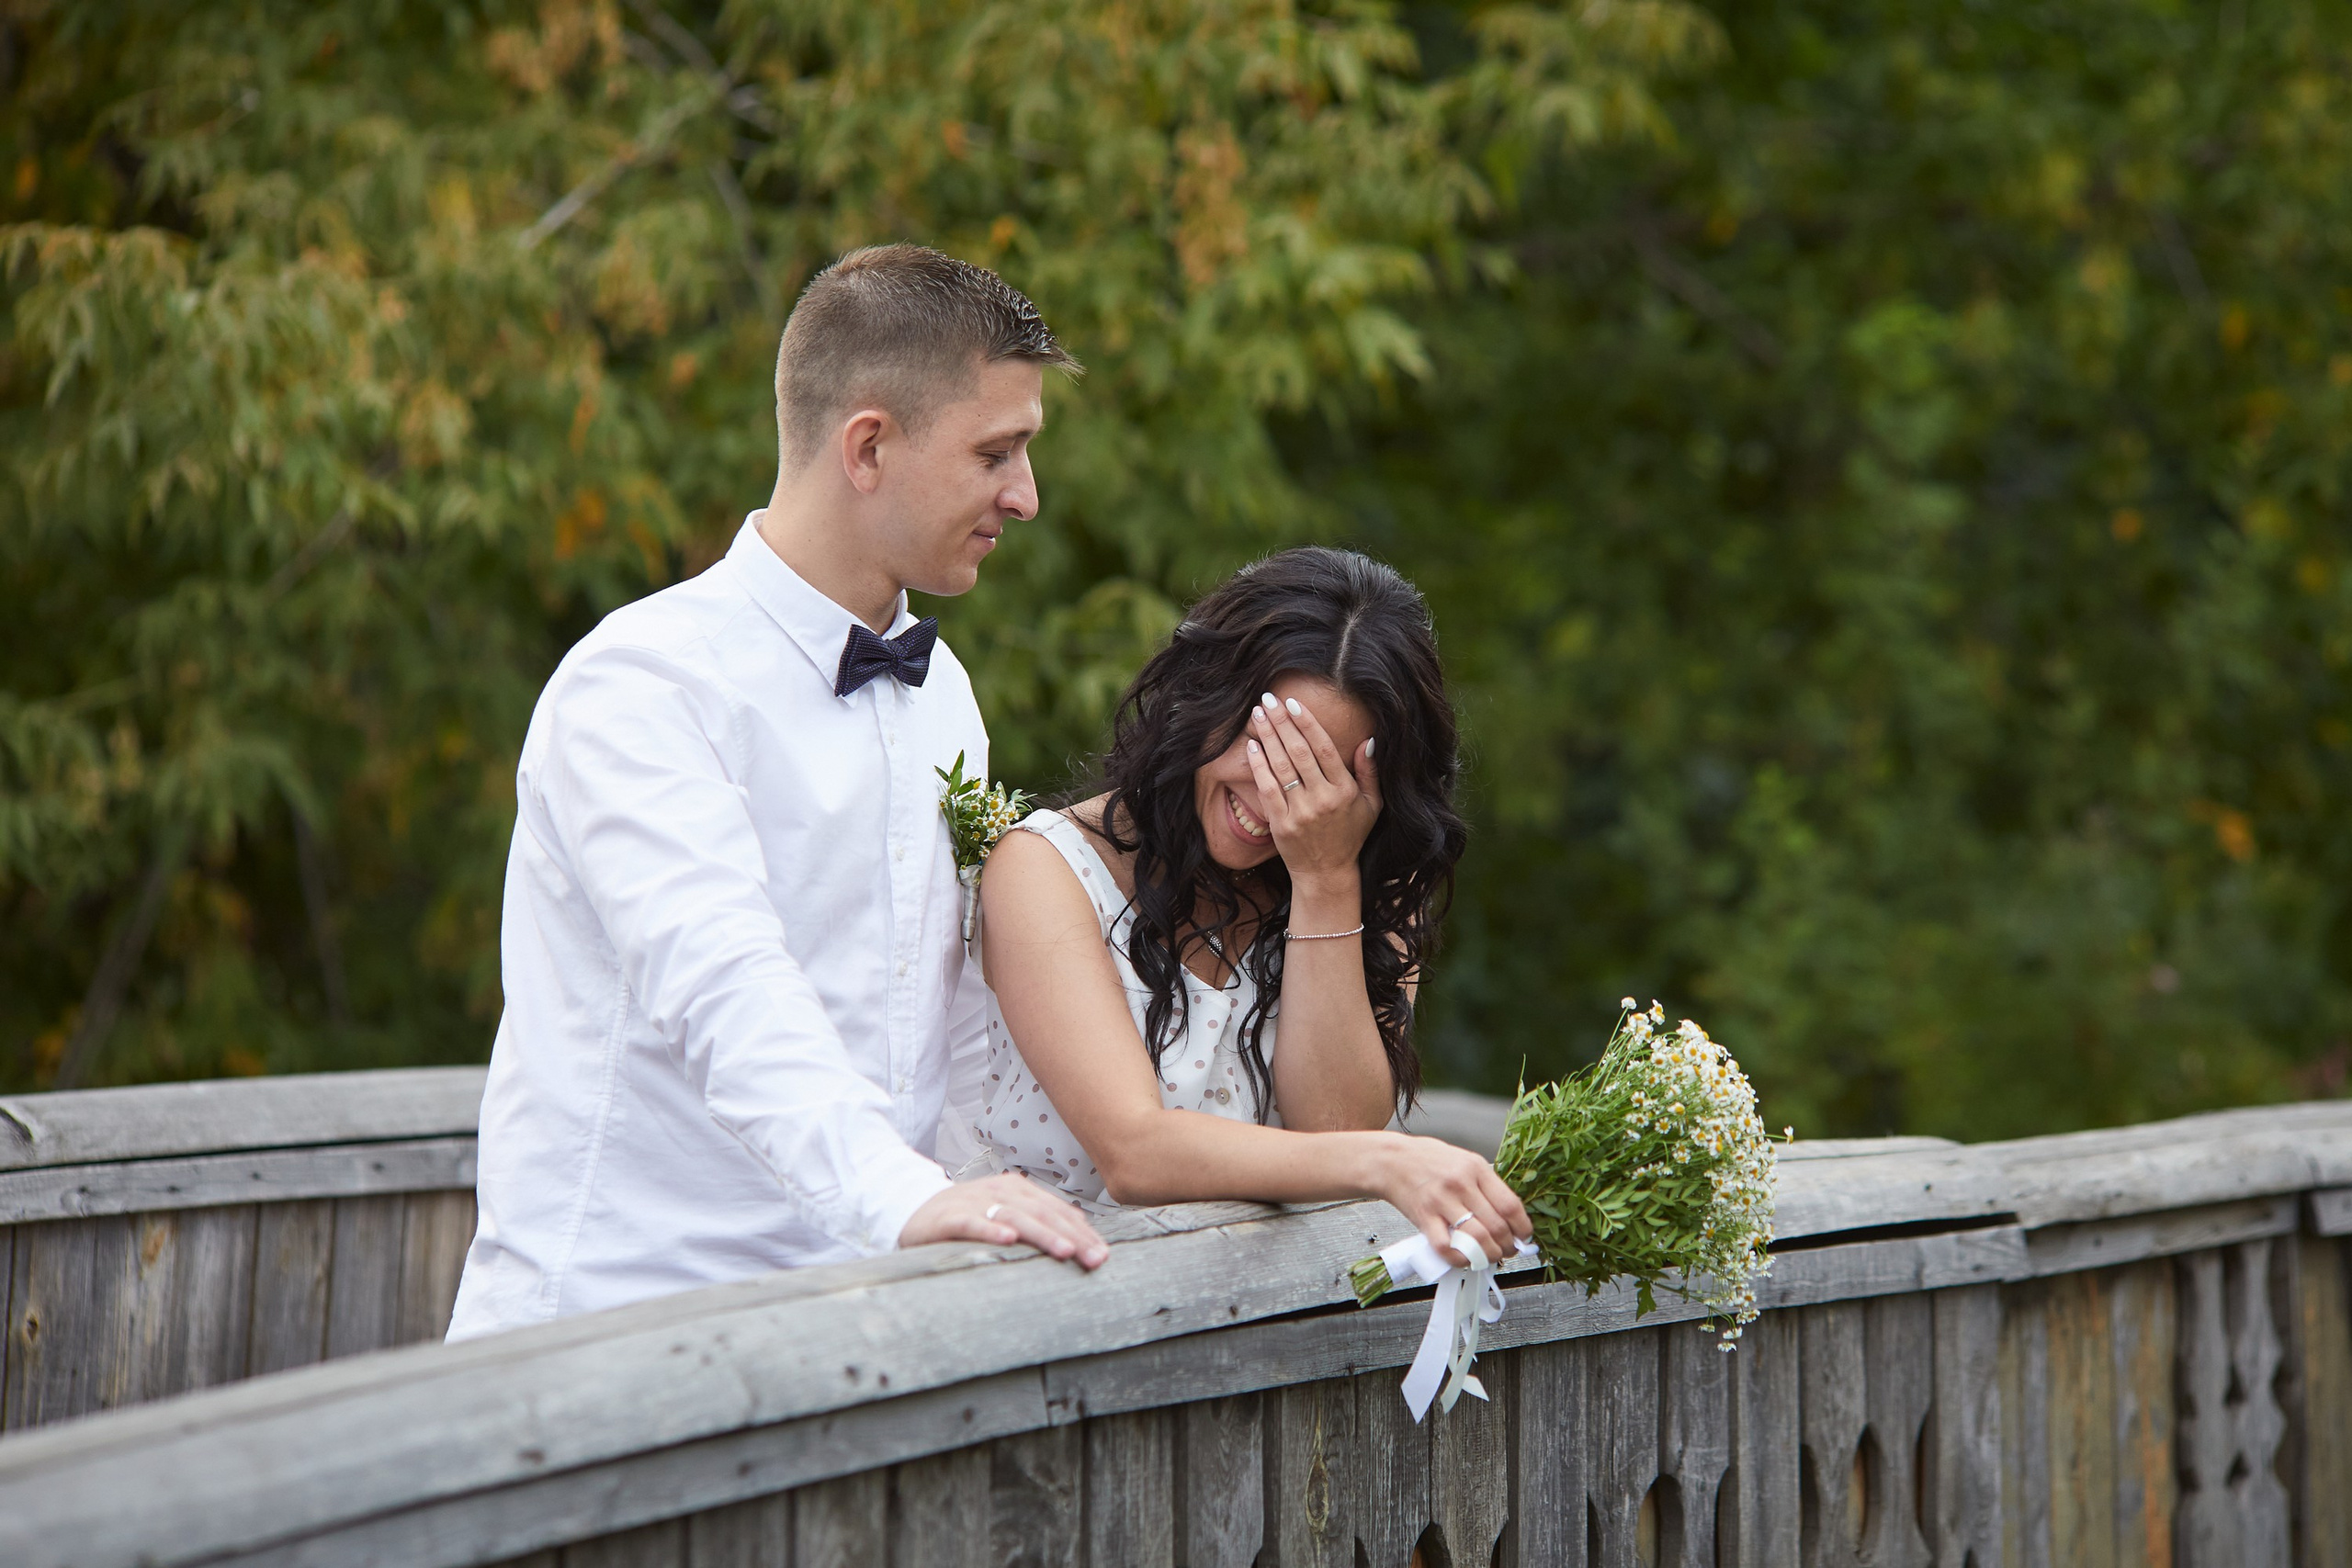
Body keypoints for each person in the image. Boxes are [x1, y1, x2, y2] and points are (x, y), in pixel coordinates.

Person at [447, 245, 1108, 1340]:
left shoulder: (941, 689)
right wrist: (903, 1199)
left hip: (855, 1326)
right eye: (996, 452)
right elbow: (724, 981)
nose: (1025, 496)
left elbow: (955, 1023)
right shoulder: (643, 683)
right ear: (867, 447)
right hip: (610, 1334)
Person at [973, 548, 1532, 1270]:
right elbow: (1134, 1151)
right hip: (1049, 1297)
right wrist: (1390, 1159)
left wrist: (1325, 879)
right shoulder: (1045, 868)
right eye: (1266, 746)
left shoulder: (1370, 892)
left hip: (1258, 1318)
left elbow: (1333, 1127)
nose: (1278, 799)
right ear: (1203, 698)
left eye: (1321, 775)